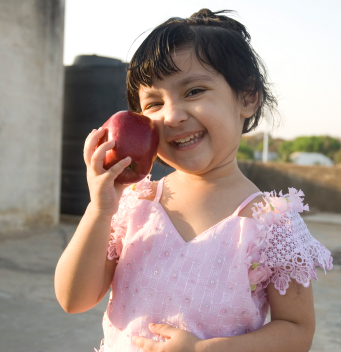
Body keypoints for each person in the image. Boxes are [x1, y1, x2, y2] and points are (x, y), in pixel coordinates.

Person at [54, 9, 333, 352]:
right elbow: (73, 299)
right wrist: (100, 209)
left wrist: (205, 350)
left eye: (194, 91)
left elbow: (296, 330)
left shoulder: (273, 223)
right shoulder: (136, 205)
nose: (172, 115)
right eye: (154, 103)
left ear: (248, 98)